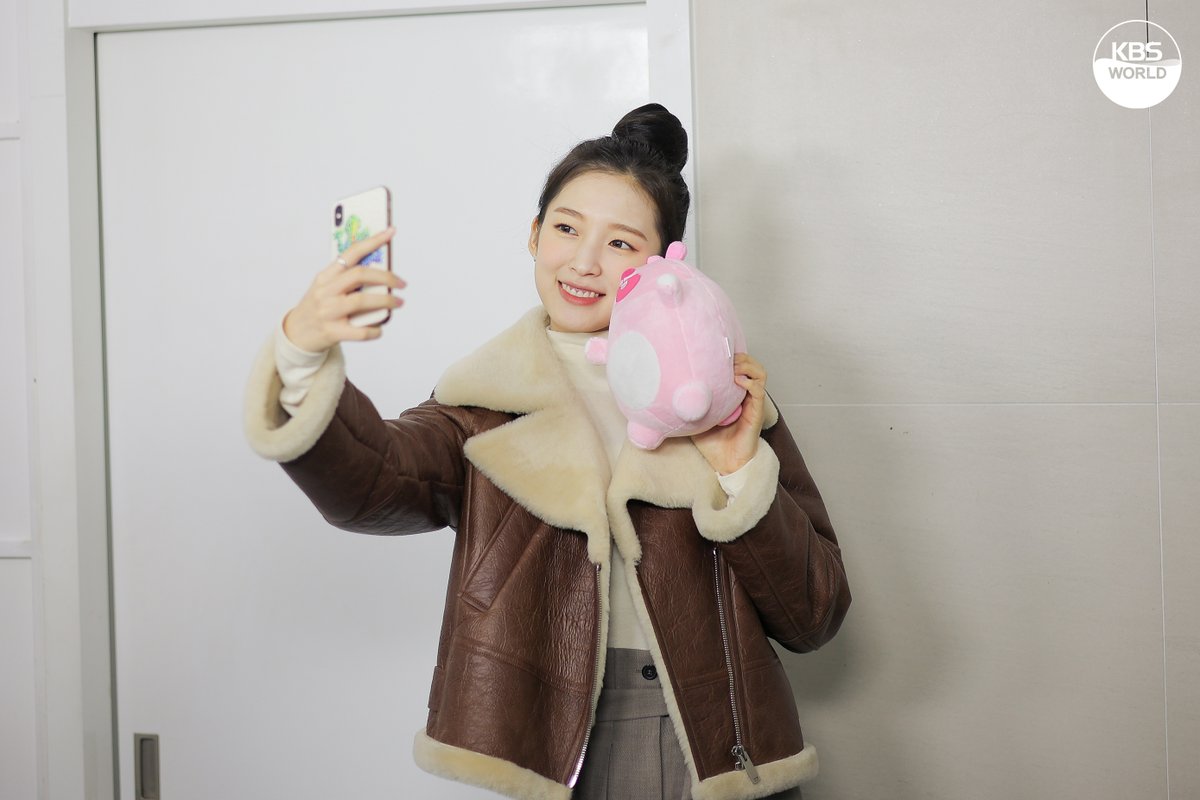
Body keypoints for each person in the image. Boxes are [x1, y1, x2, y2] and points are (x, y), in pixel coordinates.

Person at [244, 103, 850, 800]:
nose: (584, 262)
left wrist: (738, 470)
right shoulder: (481, 403)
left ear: (661, 263)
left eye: (620, 242)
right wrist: (301, 354)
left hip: (728, 750)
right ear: (534, 235)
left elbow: (814, 617)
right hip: (569, 743)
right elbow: (371, 484)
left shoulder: (717, 393)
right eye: (566, 228)